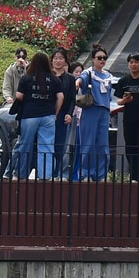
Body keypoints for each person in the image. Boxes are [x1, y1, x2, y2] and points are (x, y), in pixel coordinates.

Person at [13, 51, 63, 179]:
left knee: (25, 145)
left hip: (29, 115)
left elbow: (19, 96)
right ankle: (45, 176)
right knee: (47, 146)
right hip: (48, 115)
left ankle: (21, 174)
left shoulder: (26, 78)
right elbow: (60, 97)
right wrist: (55, 113)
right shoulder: (54, 79)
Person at [113, 53, 139, 182]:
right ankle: (133, 175)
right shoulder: (123, 81)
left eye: (136, 62)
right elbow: (118, 101)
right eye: (131, 62)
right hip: (129, 119)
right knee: (130, 147)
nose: (134, 65)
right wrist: (124, 101)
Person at [75, 45, 115, 181]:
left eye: (104, 58)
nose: (102, 60)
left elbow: (109, 96)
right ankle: (85, 174)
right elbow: (81, 79)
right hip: (90, 110)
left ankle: (101, 175)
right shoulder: (89, 73)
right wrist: (78, 82)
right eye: (99, 58)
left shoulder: (108, 76)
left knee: (103, 145)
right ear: (93, 59)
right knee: (88, 143)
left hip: (104, 111)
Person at [0, 47, 28, 177]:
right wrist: (8, 98)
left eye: (23, 57)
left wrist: (25, 67)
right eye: (19, 56)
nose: (21, 59)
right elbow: (6, 87)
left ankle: (17, 170)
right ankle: (10, 171)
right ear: (15, 57)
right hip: (15, 105)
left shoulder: (28, 69)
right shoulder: (10, 71)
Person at [49, 48, 76, 180]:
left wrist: (69, 113)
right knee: (46, 145)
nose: (58, 61)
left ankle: (56, 173)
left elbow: (72, 98)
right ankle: (45, 171)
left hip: (62, 115)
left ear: (65, 61)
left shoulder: (70, 78)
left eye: (60, 58)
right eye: (55, 58)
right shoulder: (47, 75)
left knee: (59, 145)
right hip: (47, 114)